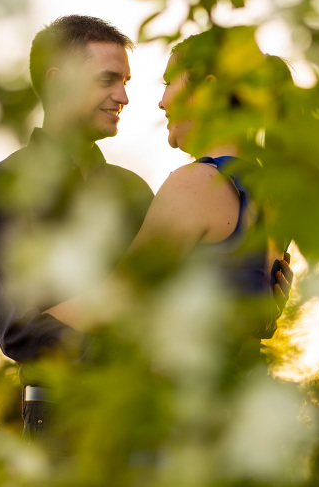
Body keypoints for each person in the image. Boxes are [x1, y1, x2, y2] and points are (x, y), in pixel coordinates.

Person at [45, 27, 293, 360]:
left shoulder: (199, 184)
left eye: (168, 83)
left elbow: (115, 300)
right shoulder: (274, 197)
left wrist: (29, 327)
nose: (162, 102)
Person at [0, 15, 155, 442]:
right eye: (108, 79)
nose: (123, 96)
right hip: (59, 424)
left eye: (126, 81)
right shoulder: (5, 185)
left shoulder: (135, 192)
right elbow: (21, 330)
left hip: (147, 424)